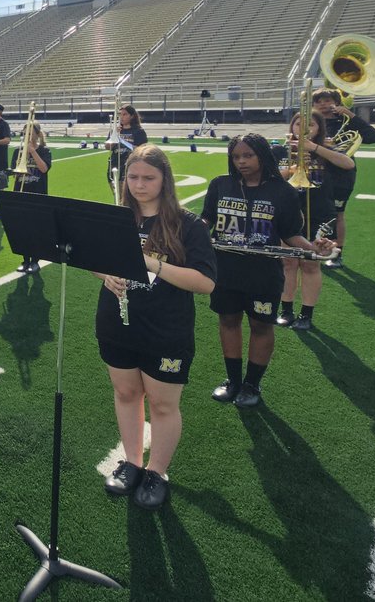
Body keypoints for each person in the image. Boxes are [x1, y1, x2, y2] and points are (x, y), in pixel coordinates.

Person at [94, 145, 217, 510]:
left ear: (165, 180)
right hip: (116, 323)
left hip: (166, 329)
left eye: (148, 178)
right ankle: (132, 462)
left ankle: (157, 471)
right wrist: (106, 276)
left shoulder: (188, 224)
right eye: (133, 177)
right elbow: (95, 259)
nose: (139, 185)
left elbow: (205, 282)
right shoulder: (117, 217)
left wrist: (151, 264)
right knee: (126, 394)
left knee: (163, 404)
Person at [201, 134, 333, 408]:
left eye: (248, 155)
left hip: (263, 275)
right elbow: (207, 220)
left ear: (262, 155)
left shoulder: (282, 191)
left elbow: (290, 234)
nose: (241, 162)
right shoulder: (219, 184)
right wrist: (185, 228)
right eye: (236, 157)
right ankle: (233, 381)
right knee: (228, 321)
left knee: (261, 325)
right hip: (224, 270)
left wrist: (314, 248)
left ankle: (252, 384)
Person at [273, 111, 353, 330]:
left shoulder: (326, 150)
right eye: (299, 123)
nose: (304, 128)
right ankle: (286, 309)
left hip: (318, 214)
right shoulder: (281, 149)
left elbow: (348, 164)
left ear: (320, 128)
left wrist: (314, 148)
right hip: (288, 213)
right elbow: (268, 180)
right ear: (292, 126)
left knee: (310, 264)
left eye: (311, 125)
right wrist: (291, 170)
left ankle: (306, 314)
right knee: (288, 263)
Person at [312, 89, 375, 268]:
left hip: (341, 175)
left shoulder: (347, 122)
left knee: (337, 214)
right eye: (318, 101)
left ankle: (337, 253)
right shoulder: (310, 122)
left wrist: (351, 115)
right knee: (312, 211)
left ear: (337, 103)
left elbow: (374, 137)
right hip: (315, 172)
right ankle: (314, 248)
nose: (322, 104)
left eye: (327, 100)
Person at [10, 121, 52, 273]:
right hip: (21, 193)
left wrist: (33, 152)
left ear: (37, 133)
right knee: (22, 229)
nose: (27, 133)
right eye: (25, 130)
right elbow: (15, 172)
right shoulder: (17, 151)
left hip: (38, 195)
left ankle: (35, 261)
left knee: (35, 230)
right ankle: (25, 259)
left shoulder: (44, 151)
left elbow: (44, 168)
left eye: (30, 131)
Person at [106, 104, 148, 201]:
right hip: (114, 165)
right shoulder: (115, 130)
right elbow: (107, 147)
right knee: (117, 197)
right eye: (120, 114)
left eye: (124, 114)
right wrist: (115, 135)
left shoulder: (138, 131)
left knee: (127, 198)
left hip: (130, 166)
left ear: (132, 116)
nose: (121, 117)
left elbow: (142, 150)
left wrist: (125, 143)